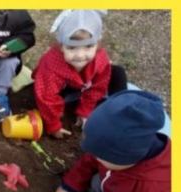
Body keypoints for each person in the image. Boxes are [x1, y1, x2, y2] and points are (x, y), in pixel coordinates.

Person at [33, 10, 128, 139]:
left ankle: (121, 116)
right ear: (61, 46)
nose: (80, 55)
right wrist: (54, 125)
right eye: (71, 48)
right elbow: (46, 97)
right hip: (62, 88)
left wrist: (85, 111)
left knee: (117, 72)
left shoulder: (100, 58)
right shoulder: (51, 65)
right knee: (51, 104)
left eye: (88, 47)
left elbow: (99, 86)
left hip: (84, 85)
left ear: (97, 45)